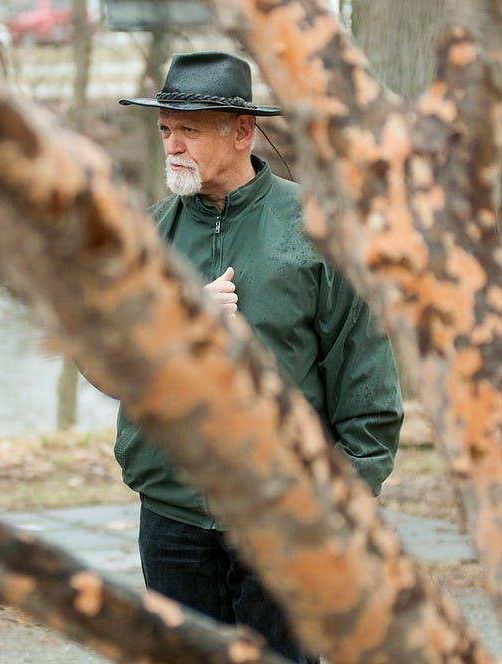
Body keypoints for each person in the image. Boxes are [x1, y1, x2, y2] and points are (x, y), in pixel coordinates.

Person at [116, 52, 404, 661]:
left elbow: (366, 381)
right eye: (166, 129)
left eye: (189, 129)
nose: (172, 144)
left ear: (242, 132)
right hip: (173, 511)